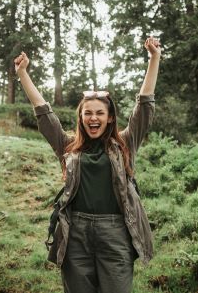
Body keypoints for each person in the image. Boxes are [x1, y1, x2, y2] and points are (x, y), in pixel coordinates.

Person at [14, 37, 161, 293]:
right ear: (81, 118)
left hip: (116, 233)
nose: (94, 118)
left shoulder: (125, 143)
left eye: (100, 113)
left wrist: (154, 59)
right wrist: (23, 74)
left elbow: (144, 108)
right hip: (75, 233)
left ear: (110, 117)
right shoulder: (68, 146)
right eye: (88, 113)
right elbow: (45, 115)